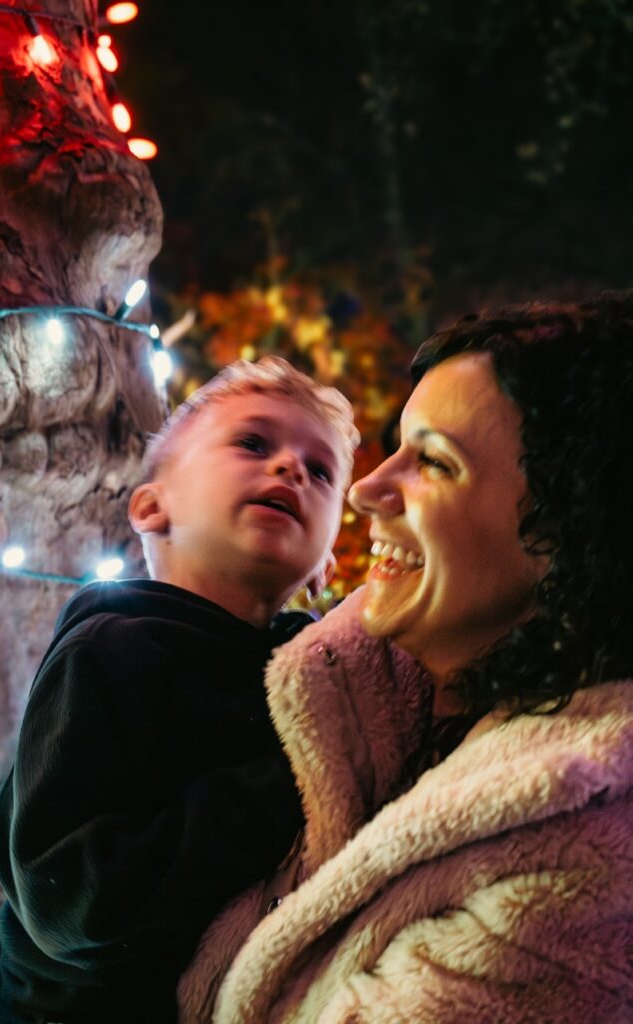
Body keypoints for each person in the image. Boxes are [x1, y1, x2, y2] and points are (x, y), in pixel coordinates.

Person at [179, 294, 633, 1023]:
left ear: (572, 533)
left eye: (434, 462)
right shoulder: (353, 695)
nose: (366, 489)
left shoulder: (581, 870)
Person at [0, 356, 360, 1024]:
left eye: (321, 472)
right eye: (253, 443)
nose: (290, 468)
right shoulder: (112, 650)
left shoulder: (312, 664)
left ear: (324, 565)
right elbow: (77, 902)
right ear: (151, 506)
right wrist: (293, 780)